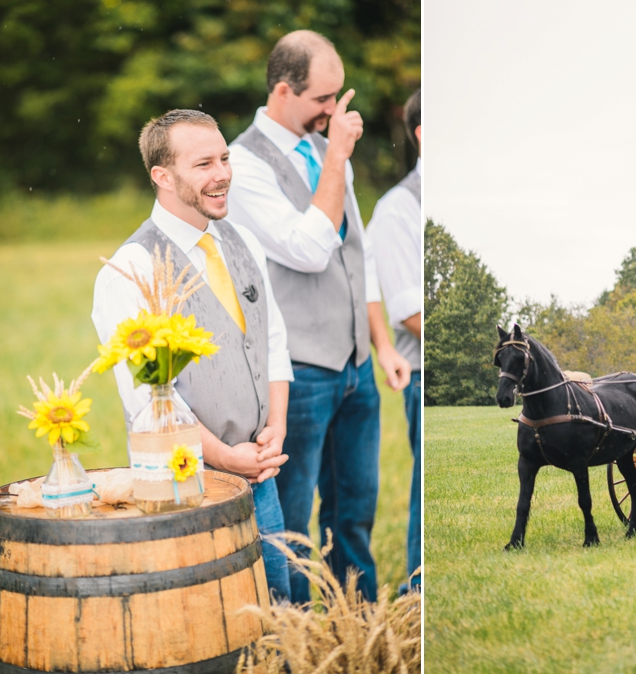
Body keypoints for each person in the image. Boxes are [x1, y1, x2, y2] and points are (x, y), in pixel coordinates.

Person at [226, 30, 411, 603]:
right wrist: (336, 156)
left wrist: (381, 344)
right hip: (298, 370)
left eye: (337, 98)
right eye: (323, 100)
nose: (334, 112)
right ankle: (302, 636)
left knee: (354, 511)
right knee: (295, 519)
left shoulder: (328, 150)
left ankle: (359, 624)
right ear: (284, 90)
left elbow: (360, 252)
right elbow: (307, 248)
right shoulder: (243, 164)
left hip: (356, 365)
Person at [92, 109, 294, 601]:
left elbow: (272, 341)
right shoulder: (129, 269)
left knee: (278, 604)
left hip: (260, 474)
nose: (223, 173)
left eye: (224, 158)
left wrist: (276, 427)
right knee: (211, 619)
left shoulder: (243, 241)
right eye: (204, 164)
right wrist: (224, 457)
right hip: (181, 489)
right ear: (162, 176)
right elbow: (147, 400)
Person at [366, 88, 421, 594]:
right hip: (423, 373)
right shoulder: (398, 209)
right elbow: (411, 313)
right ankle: (420, 597)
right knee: (425, 495)